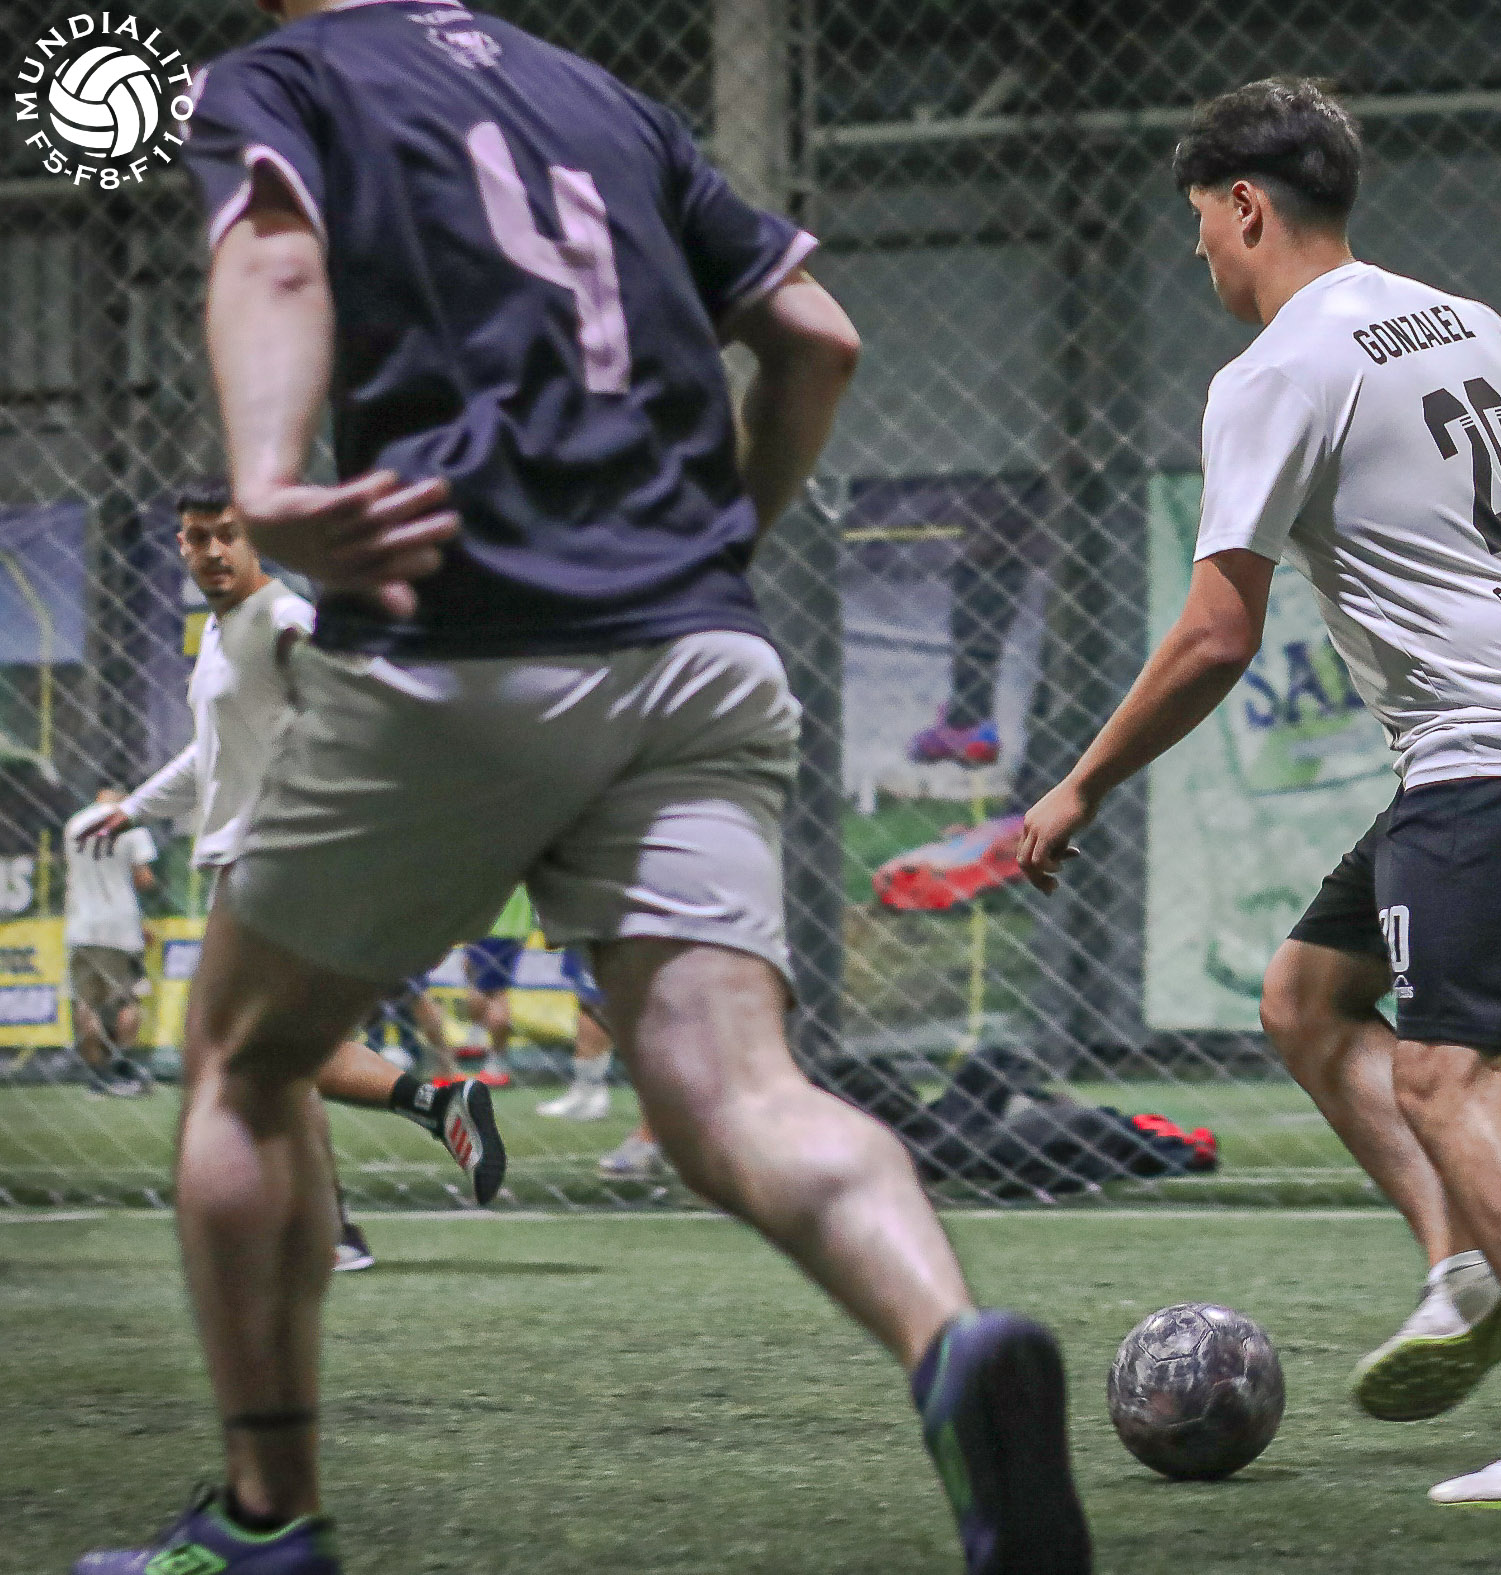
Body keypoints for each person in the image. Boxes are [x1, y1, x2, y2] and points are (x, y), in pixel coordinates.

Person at [77, 4, 1089, 1572]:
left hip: (463, 643)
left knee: (245, 1058)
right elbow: (817, 337)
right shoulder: (602, 98)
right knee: (735, 1090)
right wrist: (717, 546)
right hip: (700, 655)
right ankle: (949, 1339)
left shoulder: (286, 76)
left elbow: (273, 259)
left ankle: (266, 1519)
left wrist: (269, 482)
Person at [1017, 78, 1501, 1512]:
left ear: (1242, 206)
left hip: (1493, 756)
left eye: (1196, 222)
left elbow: (1214, 636)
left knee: (1446, 1075)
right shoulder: (1452, 319)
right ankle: (1464, 1263)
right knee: (1306, 998)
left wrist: (1082, 783)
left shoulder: (1274, 372)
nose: (1197, 251)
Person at [75, 481, 508, 1270]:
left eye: (227, 533)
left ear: (255, 538)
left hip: (280, 857)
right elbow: (207, 753)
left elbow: (357, 681)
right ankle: (396, 1152)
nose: (212, 550)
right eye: (198, 536)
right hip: (248, 858)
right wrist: (132, 809)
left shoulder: (280, 616)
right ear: (181, 544)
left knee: (248, 1047)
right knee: (274, 1049)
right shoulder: (223, 631)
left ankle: (335, 1217)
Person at [62, 788, 161, 1097]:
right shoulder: (129, 824)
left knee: (85, 1002)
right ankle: (119, 1067)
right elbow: (144, 879)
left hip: (81, 924)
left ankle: (97, 1073)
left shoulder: (75, 824)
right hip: (120, 926)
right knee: (129, 999)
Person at [456, 887, 533, 1086]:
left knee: (494, 992)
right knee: (478, 979)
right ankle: (481, 1040)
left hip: (495, 923)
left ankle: (496, 1063)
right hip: (501, 924)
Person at [539, 945, 614, 1121]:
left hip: (600, 936)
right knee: (590, 1001)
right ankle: (588, 1092)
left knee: (594, 1002)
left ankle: (589, 1094)